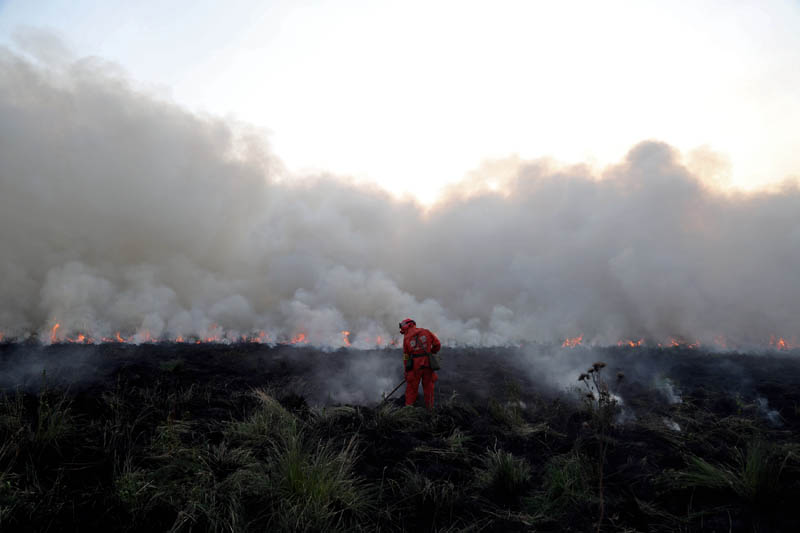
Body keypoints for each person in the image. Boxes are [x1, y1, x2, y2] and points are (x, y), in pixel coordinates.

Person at [399, 318, 441, 408]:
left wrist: (406, 370)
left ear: (406, 325)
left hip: (415, 367)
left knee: (411, 390)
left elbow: (406, 356)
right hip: (428, 365)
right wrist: (431, 353)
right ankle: (430, 411)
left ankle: (408, 411)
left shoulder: (406, 338)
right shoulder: (426, 332)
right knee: (429, 389)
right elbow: (437, 345)